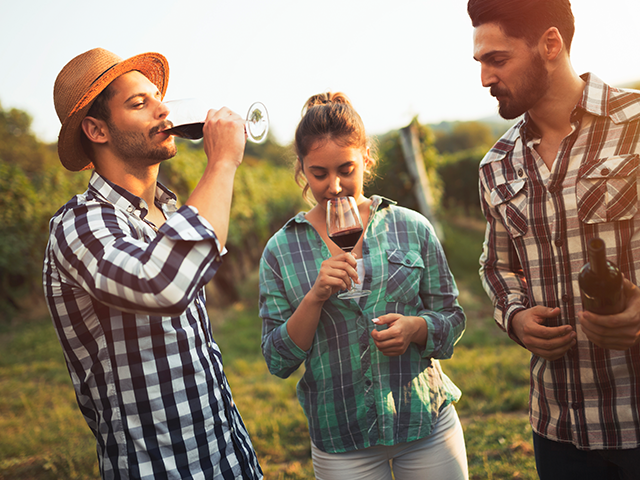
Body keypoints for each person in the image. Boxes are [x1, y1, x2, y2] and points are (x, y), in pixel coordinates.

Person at [43, 48, 263, 480]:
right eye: (139, 103)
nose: (163, 110)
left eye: (157, 97)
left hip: (226, 455)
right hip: (158, 469)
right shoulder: (79, 225)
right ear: (96, 129)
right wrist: (221, 163)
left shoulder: (170, 213)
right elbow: (161, 284)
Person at [468, 0, 640, 478]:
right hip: (558, 427)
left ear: (550, 44)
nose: (484, 78)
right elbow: (496, 265)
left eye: (497, 60)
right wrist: (516, 315)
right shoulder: (496, 166)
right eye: (480, 63)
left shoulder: (636, 126)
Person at [258, 92, 468, 480]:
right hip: (341, 441)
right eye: (319, 173)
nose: (335, 186)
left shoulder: (411, 226)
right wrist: (316, 297)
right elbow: (277, 359)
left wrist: (417, 329)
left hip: (425, 424)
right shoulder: (280, 249)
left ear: (366, 157)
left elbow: (452, 317)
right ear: (301, 168)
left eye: (346, 169)